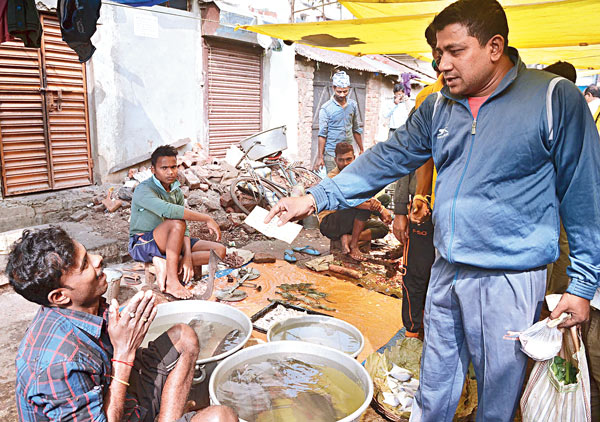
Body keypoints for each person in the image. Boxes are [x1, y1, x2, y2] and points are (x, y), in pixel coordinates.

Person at [265, 1, 600, 420]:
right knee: (435, 383)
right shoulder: (439, 106)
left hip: (508, 278)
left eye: (455, 51)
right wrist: (315, 196)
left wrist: (583, 285)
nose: (442, 64)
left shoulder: (553, 99)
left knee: (497, 397)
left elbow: (585, 195)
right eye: (438, 53)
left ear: (495, 46)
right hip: (447, 269)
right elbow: (390, 157)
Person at [7, 227, 237, 422]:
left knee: (183, 336)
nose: (98, 260)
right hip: (110, 405)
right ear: (59, 297)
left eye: (88, 255)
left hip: (120, 393)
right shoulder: (57, 366)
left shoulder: (80, 306)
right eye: (85, 264)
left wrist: (132, 316)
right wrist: (124, 354)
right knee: (221, 417)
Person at [392, 23, 442, 339]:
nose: (444, 61)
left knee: (445, 278)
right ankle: (413, 332)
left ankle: (439, 334)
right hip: (425, 207)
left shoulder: (493, 101)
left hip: (461, 212)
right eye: (439, 53)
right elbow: (407, 157)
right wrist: (401, 208)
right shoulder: (428, 97)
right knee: (417, 273)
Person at [129, 145, 226, 299]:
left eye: (174, 167)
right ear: (153, 169)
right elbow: (170, 212)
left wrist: (187, 256)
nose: (171, 172)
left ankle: (170, 262)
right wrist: (207, 218)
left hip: (174, 239)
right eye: (164, 168)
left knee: (219, 251)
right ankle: (172, 282)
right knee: (176, 222)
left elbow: (184, 229)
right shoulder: (144, 189)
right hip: (143, 242)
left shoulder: (175, 190)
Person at [318, 142, 392, 261]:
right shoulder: (333, 177)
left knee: (383, 227)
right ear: (335, 160)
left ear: (354, 158)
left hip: (348, 219)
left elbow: (366, 192)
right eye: (341, 160)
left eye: (349, 159)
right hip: (330, 223)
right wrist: (380, 209)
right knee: (364, 207)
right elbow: (353, 201)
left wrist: (376, 203)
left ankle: (348, 238)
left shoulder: (357, 173)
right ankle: (354, 245)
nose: (345, 163)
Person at [313, 70, 364, 174]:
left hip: (348, 153)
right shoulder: (326, 108)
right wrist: (320, 157)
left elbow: (355, 129)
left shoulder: (352, 105)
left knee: (348, 181)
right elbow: (322, 134)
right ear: (333, 88)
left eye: (345, 91)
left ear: (349, 88)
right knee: (333, 183)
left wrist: (361, 149)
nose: (342, 94)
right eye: (339, 91)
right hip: (332, 155)